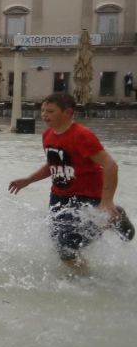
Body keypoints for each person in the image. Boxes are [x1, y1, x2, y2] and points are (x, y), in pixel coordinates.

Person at [8, 92, 134, 273]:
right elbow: (53, 164)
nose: (44, 115)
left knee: (67, 244)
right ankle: (84, 275)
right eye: (43, 110)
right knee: (61, 245)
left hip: (86, 195)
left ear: (67, 112)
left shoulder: (82, 135)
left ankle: (87, 278)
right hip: (58, 196)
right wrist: (29, 180)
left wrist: (107, 200)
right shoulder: (47, 135)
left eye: (50, 111)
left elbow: (110, 165)